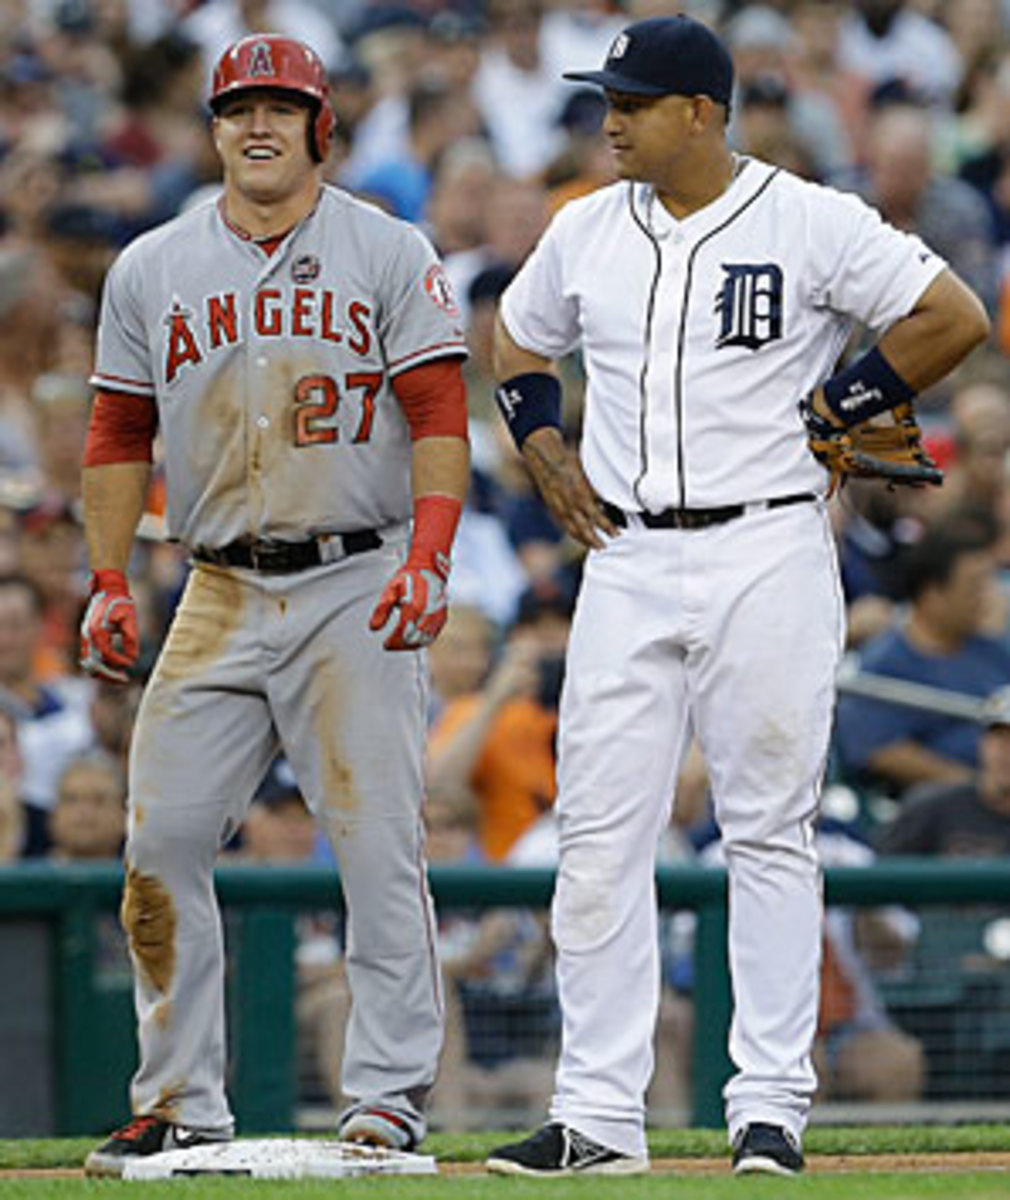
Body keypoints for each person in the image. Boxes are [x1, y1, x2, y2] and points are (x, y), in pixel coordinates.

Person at [482, 14, 988, 1178]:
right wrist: (542, 444)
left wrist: (848, 398)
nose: (609, 119)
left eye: (634, 101)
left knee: (766, 830)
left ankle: (768, 1108)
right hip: (623, 552)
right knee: (598, 838)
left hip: (764, 545)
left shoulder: (805, 217)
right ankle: (596, 1117)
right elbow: (513, 341)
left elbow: (951, 314)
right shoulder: (581, 229)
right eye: (607, 98)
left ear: (701, 112)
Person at [77, 34, 469, 1176]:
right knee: (161, 842)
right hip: (218, 581)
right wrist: (107, 574)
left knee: (376, 845)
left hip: (356, 572)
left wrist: (430, 557)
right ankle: (180, 1098)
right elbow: (116, 434)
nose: (258, 126)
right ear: (211, 128)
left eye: (281, 108)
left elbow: (440, 414)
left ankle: (389, 1094)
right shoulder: (151, 264)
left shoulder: (385, 249)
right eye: (238, 108)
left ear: (318, 130)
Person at [834, 515, 1010, 797]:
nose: (987, 596)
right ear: (933, 593)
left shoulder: (991, 647)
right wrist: (976, 786)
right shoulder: (886, 661)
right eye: (974, 586)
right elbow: (876, 749)